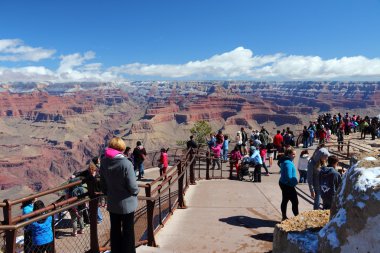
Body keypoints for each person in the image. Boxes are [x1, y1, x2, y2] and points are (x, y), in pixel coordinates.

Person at [100, 137, 139, 253]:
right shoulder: (126, 163)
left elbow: (103, 184)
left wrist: (109, 193)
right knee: (128, 232)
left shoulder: (104, 162)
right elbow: (133, 186)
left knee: (115, 231)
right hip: (127, 205)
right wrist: (135, 192)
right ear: (121, 148)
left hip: (112, 203)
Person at [278, 147, 299, 221]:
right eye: (293, 154)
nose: (295, 156)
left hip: (283, 183)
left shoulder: (286, 161)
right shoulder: (288, 163)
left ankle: (284, 217)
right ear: (289, 154)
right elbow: (289, 177)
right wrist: (295, 182)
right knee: (295, 201)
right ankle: (297, 217)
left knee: (285, 200)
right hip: (288, 185)